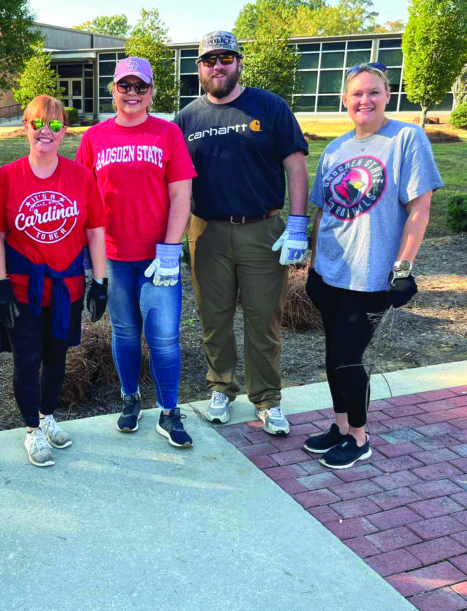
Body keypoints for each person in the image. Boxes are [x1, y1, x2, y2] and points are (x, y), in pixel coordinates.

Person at [303, 63, 442, 469]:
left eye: (373, 92)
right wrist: (312, 268)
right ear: (345, 100)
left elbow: (420, 209)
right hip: (331, 272)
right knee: (332, 356)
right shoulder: (335, 149)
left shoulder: (405, 139)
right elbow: (321, 212)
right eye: (357, 94)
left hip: (372, 275)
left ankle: (360, 439)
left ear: (387, 95)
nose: (365, 100)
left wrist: (403, 268)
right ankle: (341, 427)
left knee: (348, 357)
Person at [175, 31, 309, 436]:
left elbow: (297, 167)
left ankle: (267, 399)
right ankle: (221, 387)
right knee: (213, 318)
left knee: (262, 319)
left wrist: (299, 223)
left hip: (262, 229)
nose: (218, 66)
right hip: (206, 231)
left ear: (238, 63)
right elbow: (173, 181)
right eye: (209, 60)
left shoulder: (269, 106)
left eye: (226, 58)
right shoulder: (187, 118)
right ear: (199, 68)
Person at [76, 57, 196, 448]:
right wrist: (88, 261)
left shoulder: (167, 133)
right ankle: (130, 400)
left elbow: (181, 193)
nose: (132, 94)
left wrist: (171, 249)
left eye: (140, 87)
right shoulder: (94, 138)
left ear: (150, 93)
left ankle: (169, 410)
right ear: (113, 91)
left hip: (157, 255)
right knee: (125, 332)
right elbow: (84, 199)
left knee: (163, 337)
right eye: (124, 86)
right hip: (113, 255)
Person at [0, 95, 107, 467]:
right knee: (27, 360)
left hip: (65, 288)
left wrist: (99, 281)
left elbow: (96, 230)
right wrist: (0, 286)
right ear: (25, 127)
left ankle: (47, 415)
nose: (45, 131)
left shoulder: (81, 177)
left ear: (65, 131)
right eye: (37, 123)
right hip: (23, 291)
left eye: (54, 125)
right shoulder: (8, 176)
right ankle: (32, 430)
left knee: (56, 359)